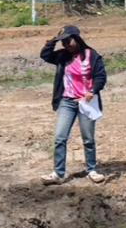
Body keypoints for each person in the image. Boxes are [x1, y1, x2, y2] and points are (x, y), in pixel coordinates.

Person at [39, 24, 107, 185]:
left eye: (68, 41)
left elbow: (100, 76)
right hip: (67, 102)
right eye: (63, 43)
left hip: (86, 102)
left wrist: (93, 91)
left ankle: (92, 170)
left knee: (88, 139)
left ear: (77, 39)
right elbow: (45, 55)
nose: (66, 45)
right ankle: (58, 173)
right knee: (60, 137)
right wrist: (52, 41)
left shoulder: (91, 55)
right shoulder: (62, 56)